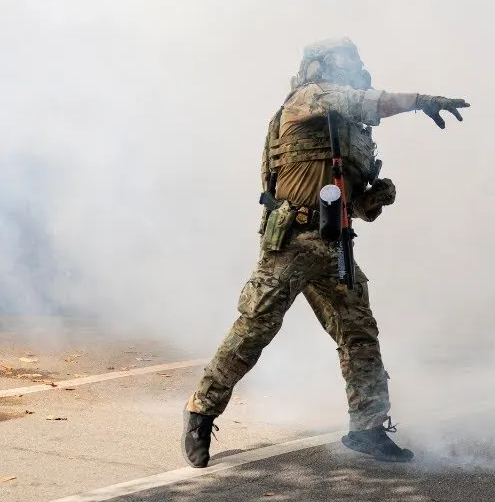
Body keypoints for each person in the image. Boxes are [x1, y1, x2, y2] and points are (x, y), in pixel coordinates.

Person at [181, 38, 469, 468]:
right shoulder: (310, 97)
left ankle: (368, 428)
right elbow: (366, 101)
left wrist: (374, 198)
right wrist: (421, 101)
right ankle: (201, 412)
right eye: (345, 62)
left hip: (335, 246)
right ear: (320, 67)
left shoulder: (355, 134)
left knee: (359, 334)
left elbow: (355, 206)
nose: (354, 69)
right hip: (292, 241)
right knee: (255, 327)